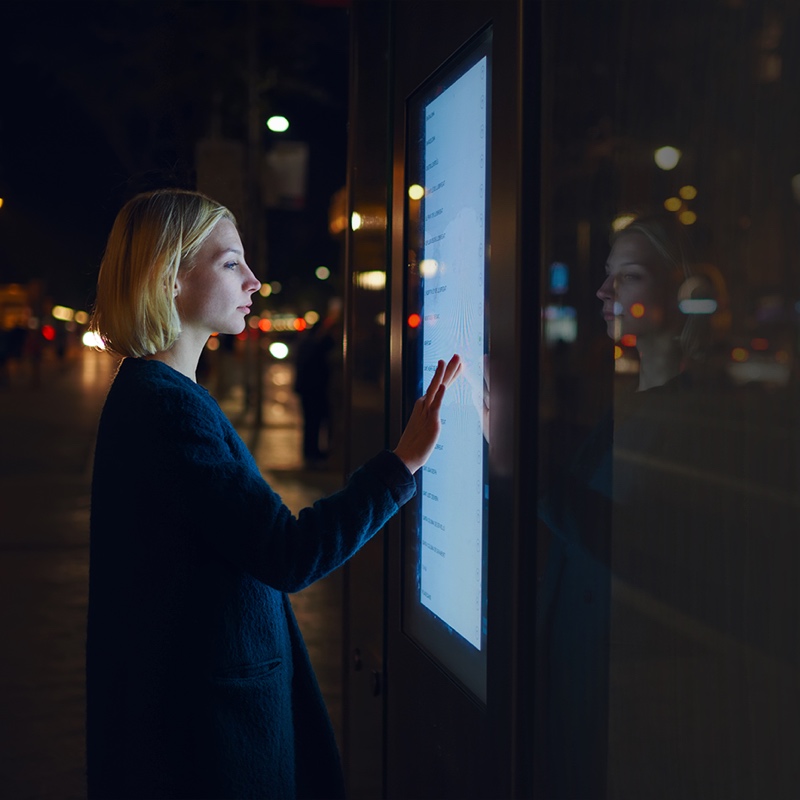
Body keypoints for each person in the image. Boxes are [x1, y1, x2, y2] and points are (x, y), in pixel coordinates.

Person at [85, 188, 461, 800]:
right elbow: (289, 553)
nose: (255, 281)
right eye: (231, 263)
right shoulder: (167, 407)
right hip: (210, 739)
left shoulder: (153, 394)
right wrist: (402, 463)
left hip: (192, 719)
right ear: (169, 277)